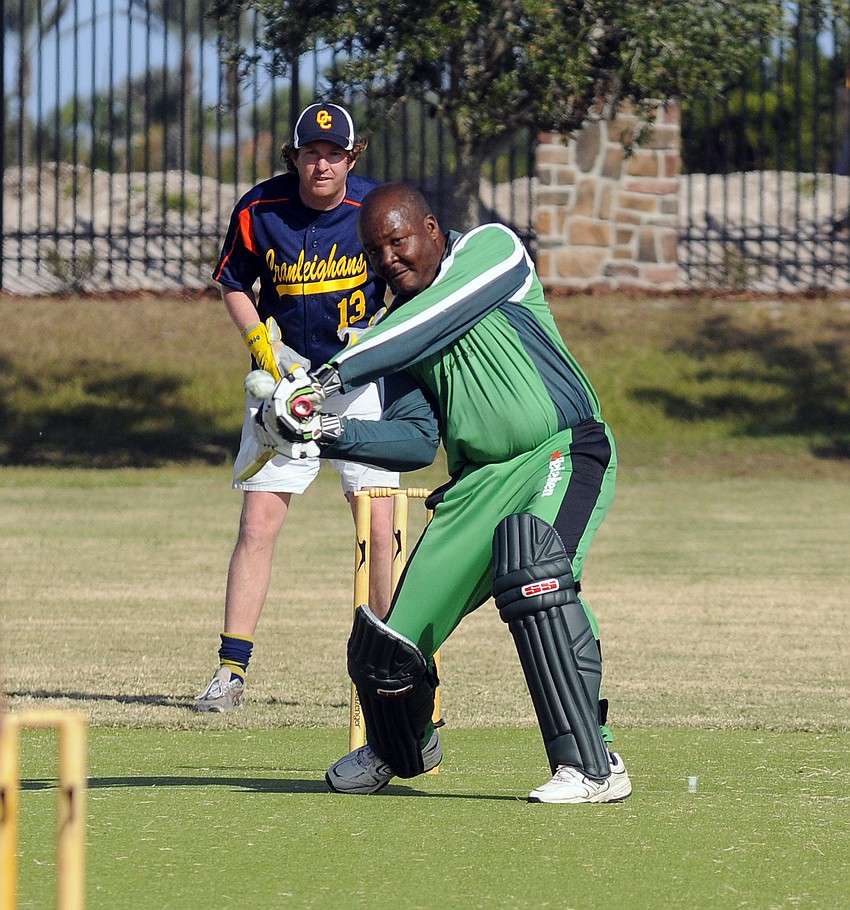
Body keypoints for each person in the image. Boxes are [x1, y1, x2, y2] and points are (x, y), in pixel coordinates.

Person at [251, 182, 632, 804]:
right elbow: (415, 441)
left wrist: (322, 381)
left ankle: (593, 763)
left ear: (430, 228)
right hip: (478, 484)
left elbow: (425, 323)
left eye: (398, 241)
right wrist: (321, 431)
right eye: (374, 252)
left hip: (560, 452)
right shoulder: (395, 332)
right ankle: (402, 747)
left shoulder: (492, 252)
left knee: (535, 570)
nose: (388, 260)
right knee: (387, 651)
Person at [194, 103, 399, 713]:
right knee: (258, 524)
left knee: (379, 527)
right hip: (287, 385)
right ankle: (231, 671)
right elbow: (234, 283)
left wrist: (384, 333)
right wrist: (261, 345)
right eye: (312, 152)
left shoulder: (375, 210)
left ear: (352, 158)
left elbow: (416, 281)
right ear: (295, 156)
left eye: (335, 154)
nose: (322, 164)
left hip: (358, 383)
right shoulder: (260, 209)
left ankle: (393, 669)